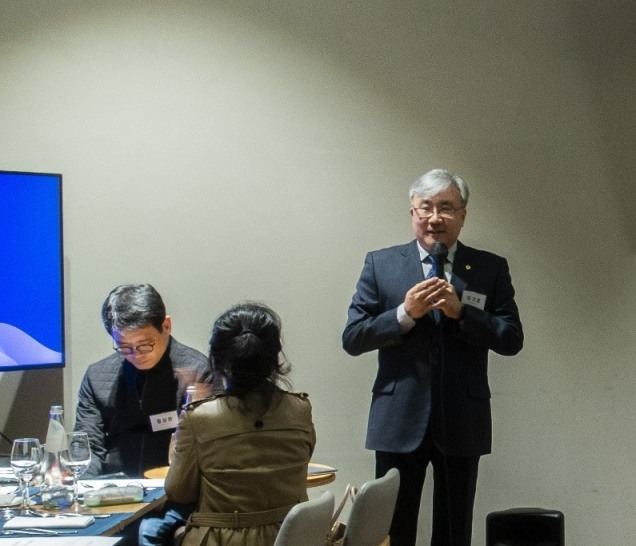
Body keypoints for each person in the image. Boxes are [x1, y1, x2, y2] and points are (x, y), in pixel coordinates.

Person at [342, 168, 524, 546]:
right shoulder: (382, 264)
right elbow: (353, 337)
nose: (435, 218)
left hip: (461, 419)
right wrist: (404, 314)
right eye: (426, 208)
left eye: (446, 207)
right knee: (393, 530)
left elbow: (511, 338)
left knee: (455, 530)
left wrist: (463, 314)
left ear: (462, 215)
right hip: (397, 420)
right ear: (412, 213)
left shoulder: (489, 268)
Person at [75, 283, 218, 546]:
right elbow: (88, 448)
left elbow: (208, 456)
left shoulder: (197, 373)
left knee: (145, 533)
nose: (136, 356)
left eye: (145, 345)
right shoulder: (97, 377)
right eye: (124, 347)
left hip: (174, 495)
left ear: (166, 325)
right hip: (114, 494)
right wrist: (78, 485)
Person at [165, 302, 316, 546]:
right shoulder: (300, 409)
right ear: (274, 355)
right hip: (291, 536)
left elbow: (179, 492)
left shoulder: (199, 418)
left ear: (216, 359)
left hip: (222, 539)